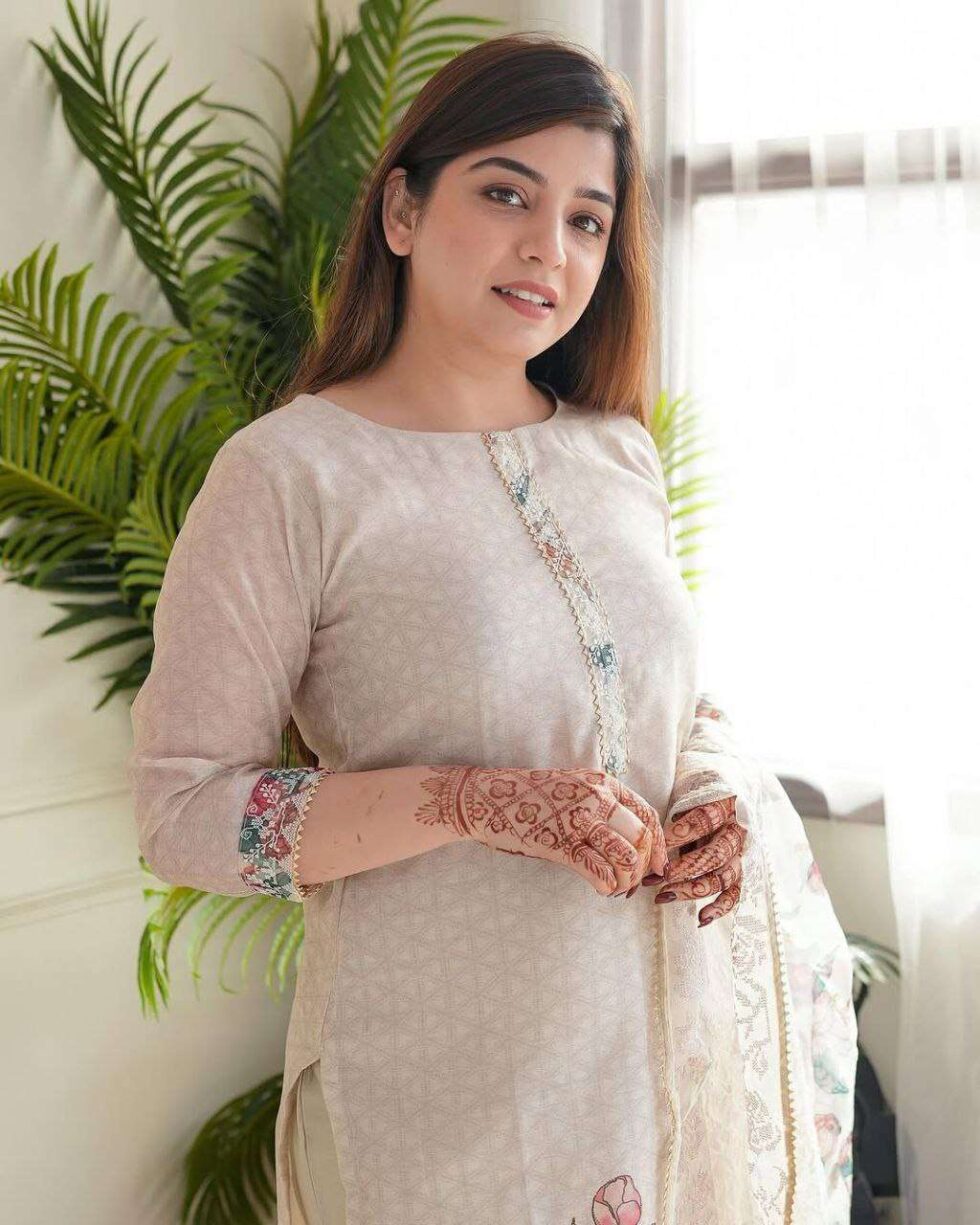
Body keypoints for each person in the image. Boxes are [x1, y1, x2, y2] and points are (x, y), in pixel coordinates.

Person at [126, 32, 858, 1225]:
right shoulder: (290, 475)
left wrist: (709, 790)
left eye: (585, 219)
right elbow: (182, 814)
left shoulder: (616, 452)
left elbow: (662, 704)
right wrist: (470, 802)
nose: (546, 248)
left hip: (660, 1080)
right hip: (437, 1105)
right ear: (401, 212)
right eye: (506, 194)